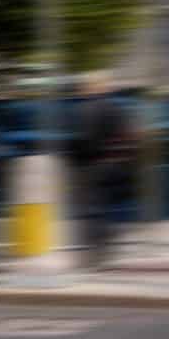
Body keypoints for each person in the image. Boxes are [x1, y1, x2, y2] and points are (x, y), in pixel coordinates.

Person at [72, 72, 133, 269]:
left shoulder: (82, 109)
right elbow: (126, 136)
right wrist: (123, 160)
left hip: (88, 165)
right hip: (110, 163)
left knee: (90, 210)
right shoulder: (115, 108)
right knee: (105, 208)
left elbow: (80, 139)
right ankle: (106, 248)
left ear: (89, 88)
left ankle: (94, 255)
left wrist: (76, 160)